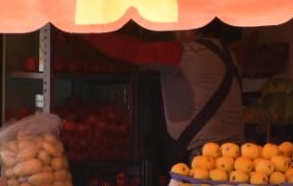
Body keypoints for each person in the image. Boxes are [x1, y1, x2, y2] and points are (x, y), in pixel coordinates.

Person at [82, 24, 243, 164]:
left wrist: (86, 32)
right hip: (237, 155)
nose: (173, 31)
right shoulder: (229, 54)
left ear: (194, 26)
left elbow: (133, 50)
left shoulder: (189, 53)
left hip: (205, 157)